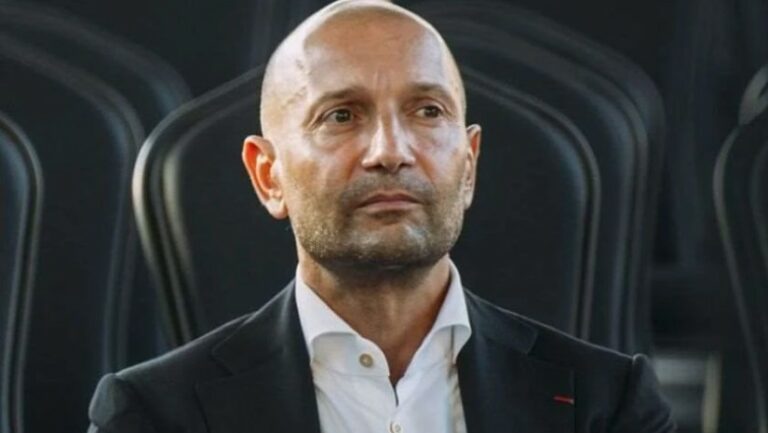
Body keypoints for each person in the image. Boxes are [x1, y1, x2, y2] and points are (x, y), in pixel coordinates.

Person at [87, 1, 675, 432]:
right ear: (268, 176)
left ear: (469, 165)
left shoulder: (610, 405)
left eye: (427, 111)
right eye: (341, 116)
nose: (390, 151)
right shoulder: (151, 415)